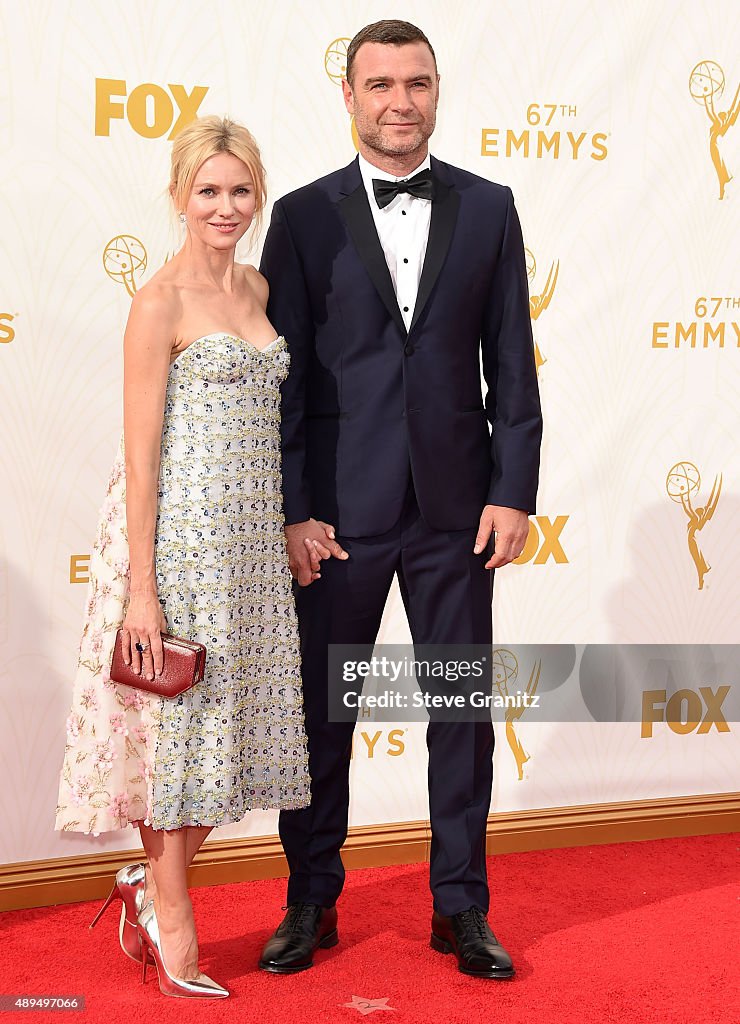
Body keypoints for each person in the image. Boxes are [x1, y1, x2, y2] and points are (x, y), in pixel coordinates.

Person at [258, 20, 542, 980]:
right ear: (348, 96)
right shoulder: (300, 218)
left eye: (417, 82)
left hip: (458, 513)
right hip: (337, 513)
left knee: (459, 715)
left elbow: (512, 361)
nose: (400, 101)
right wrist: (293, 509)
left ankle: (460, 907)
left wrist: (514, 490)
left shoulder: (491, 207)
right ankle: (311, 901)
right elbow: (283, 378)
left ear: (436, 90)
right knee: (321, 717)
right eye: (379, 83)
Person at [55, 116, 314, 999]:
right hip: (181, 552)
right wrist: (141, 591)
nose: (226, 206)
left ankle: (143, 885)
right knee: (183, 746)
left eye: (241, 191)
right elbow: (139, 457)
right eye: (208, 191)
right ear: (178, 197)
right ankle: (174, 926)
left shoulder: (258, 284)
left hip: (251, 551)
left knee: (238, 746)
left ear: (257, 195)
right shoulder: (157, 301)